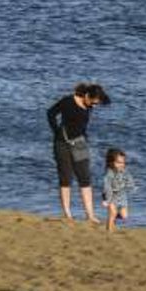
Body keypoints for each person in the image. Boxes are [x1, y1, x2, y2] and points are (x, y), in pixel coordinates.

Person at [47, 81, 111, 223]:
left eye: (96, 104)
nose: (93, 106)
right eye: (93, 102)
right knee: (65, 179)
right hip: (62, 144)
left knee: (85, 178)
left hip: (80, 144)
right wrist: (56, 131)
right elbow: (50, 113)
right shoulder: (67, 101)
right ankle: (68, 215)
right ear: (87, 95)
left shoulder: (89, 106)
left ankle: (90, 215)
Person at [101, 148, 136, 231]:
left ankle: (115, 216)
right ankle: (109, 230)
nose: (121, 165)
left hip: (122, 196)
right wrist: (106, 200)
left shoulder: (124, 172)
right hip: (111, 195)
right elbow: (107, 187)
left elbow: (129, 180)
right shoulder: (109, 174)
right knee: (112, 212)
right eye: (118, 163)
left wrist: (131, 185)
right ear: (111, 162)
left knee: (125, 216)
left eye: (123, 163)